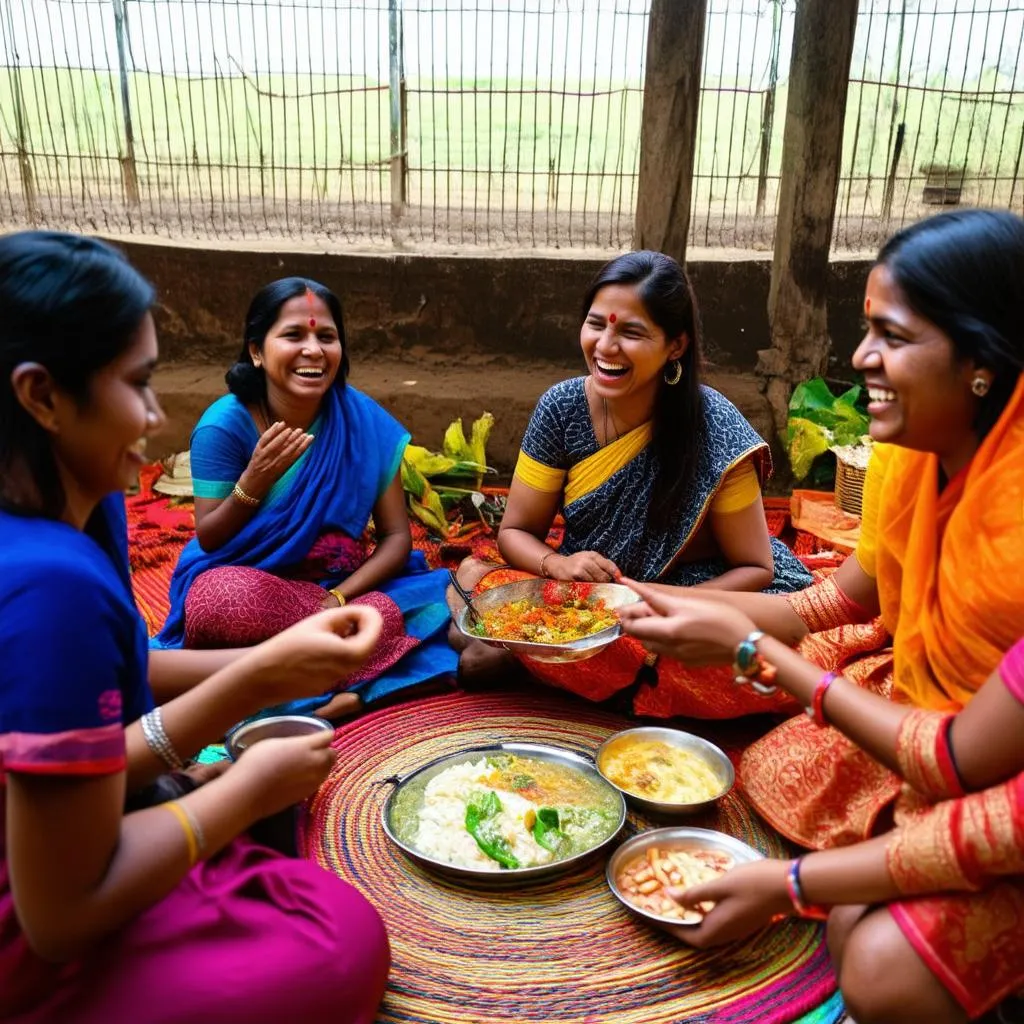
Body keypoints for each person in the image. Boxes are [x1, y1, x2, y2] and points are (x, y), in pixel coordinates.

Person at [0, 232, 390, 1022]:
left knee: (401, 606)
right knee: (341, 936)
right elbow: (60, 918)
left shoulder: (89, 510)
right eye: (139, 383)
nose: (154, 414)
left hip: (312, 599)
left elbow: (112, 682)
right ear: (41, 397)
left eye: (326, 335)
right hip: (38, 909)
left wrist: (268, 669)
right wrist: (244, 789)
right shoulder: (52, 587)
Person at [636, 208, 1024, 850]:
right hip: (910, 693)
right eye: (867, 329)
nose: (859, 357)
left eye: (891, 337)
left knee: (867, 938)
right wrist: (669, 601)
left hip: (975, 750)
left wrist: (754, 650)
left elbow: (963, 754)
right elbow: (847, 595)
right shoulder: (905, 454)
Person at [618, 580, 1024, 1024]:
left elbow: (970, 778)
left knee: (880, 965)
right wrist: (668, 605)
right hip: (942, 719)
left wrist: (790, 884)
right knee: (845, 903)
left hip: (970, 760)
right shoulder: (913, 509)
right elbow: (832, 601)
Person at [450, 250, 811, 718]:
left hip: (698, 591)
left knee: (767, 660)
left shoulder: (714, 425)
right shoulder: (561, 410)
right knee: (481, 584)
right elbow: (515, 533)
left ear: (675, 346)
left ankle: (552, 665)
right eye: (596, 324)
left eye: (631, 332)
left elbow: (755, 568)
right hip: (592, 592)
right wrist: (558, 564)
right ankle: (585, 669)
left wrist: (655, 605)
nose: (606, 346)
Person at [153, 276, 457, 718]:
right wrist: (254, 481)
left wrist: (336, 600)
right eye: (294, 335)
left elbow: (395, 539)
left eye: (326, 337)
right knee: (218, 602)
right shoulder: (225, 425)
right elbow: (211, 537)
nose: (313, 350)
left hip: (340, 591)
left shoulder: (363, 420)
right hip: (254, 592)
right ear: (257, 351)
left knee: (400, 608)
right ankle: (359, 676)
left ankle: (294, 679)